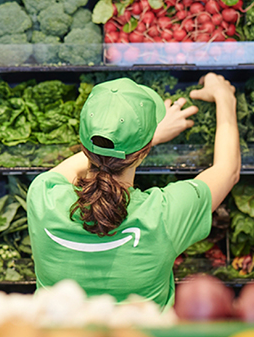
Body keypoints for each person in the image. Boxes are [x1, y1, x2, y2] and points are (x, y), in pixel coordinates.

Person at [27, 73, 240, 309]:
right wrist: (224, 96)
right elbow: (228, 170)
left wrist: (146, 140)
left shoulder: (42, 197)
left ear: (82, 143)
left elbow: (70, 168)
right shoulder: (164, 214)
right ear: (144, 152)